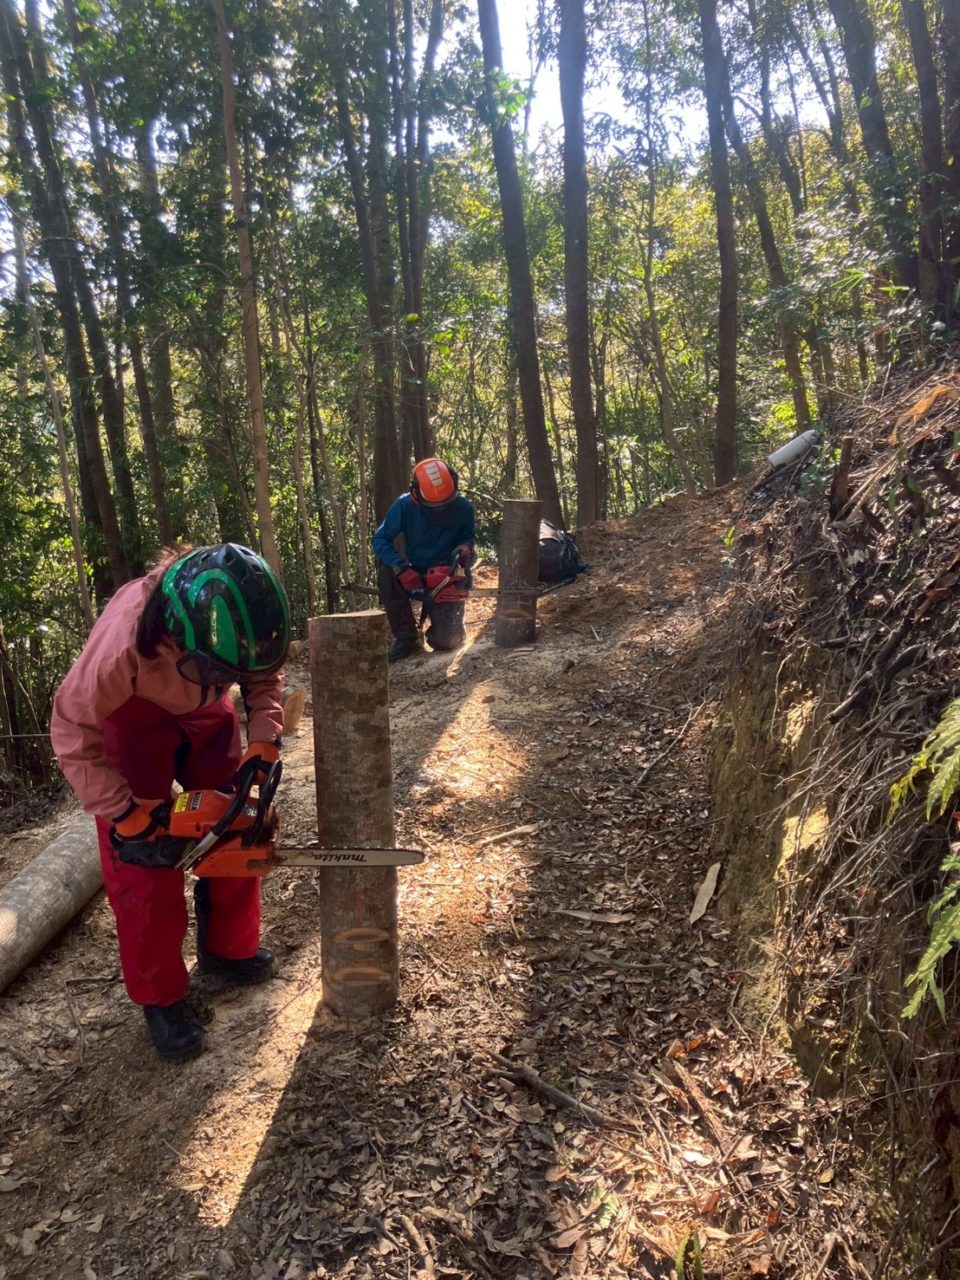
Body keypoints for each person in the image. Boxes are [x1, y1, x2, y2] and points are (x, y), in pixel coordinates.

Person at [49, 543, 290, 1064]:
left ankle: (229, 950)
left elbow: (262, 673)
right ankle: (160, 996)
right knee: (142, 861)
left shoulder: (241, 618)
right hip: (131, 719)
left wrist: (264, 737)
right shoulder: (122, 646)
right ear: (176, 634)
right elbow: (70, 728)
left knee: (236, 825)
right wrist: (127, 813)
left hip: (208, 713)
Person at [373, 457, 476, 662]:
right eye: (433, 506)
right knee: (387, 571)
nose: (439, 509)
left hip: (449, 573)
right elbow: (380, 539)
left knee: (447, 642)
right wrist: (401, 568)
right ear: (416, 494)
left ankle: (447, 626)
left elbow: (469, 539)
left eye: (445, 505)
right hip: (416, 571)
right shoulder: (404, 506)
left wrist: (465, 548)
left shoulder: (464, 508)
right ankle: (406, 638)